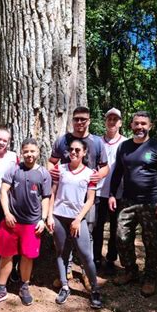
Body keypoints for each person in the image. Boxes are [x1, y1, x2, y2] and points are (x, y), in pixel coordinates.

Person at [108, 111, 157, 297]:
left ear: (150, 126)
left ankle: (150, 276)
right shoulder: (124, 147)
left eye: (143, 124)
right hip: (127, 201)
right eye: (136, 124)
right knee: (121, 236)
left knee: (152, 242)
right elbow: (118, 172)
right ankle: (130, 270)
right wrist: (112, 194)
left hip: (151, 203)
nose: (139, 127)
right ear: (131, 126)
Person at [47, 106, 109, 288]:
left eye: (83, 119)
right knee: (64, 239)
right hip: (64, 199)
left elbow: (105, 166)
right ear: (72, 121)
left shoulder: (97, 142)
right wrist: (54, 173)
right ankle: (65, 271)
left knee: (85, 235)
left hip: (87, 199)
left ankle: (85, 272)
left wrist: (100, 175)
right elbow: (51, 162)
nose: (80, 122)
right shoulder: (63, 141)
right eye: (76, 119)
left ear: (89, 121)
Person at [0, 138, 52, 307]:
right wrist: (6, 213)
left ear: (38, 152)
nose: (29, 154)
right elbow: (4, 191)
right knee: (6, 255)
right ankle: (1, 289)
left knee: (27, 256)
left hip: (32, 223)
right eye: (26, 151)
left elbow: (46, 197)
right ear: (22, 153)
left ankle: (24, 287)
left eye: (32, 151)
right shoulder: (14, 170)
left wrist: (42, 219)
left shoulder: (43, 173)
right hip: (12, 222)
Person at [47, 139, 102, 309]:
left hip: (77, 218)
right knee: (61, 252)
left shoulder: (90, 173)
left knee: (86, 255)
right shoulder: (60, 169)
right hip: (58, 216)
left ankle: (94, 289)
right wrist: (49, 216)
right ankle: (64, 286)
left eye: (78, 150)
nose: (74, 152)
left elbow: (90, 199)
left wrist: (78, 219)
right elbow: (52, 193)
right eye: (71, 149)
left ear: (84, 152)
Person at [91, 107, 127, 273]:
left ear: (120, 122)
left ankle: (111, 259)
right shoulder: (96, 142)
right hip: (98, 192)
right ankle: (95, 258)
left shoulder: (126, 143)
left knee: (115, 228)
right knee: (97, 227)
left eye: (115, 119)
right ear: (105, 121)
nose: (112, 122)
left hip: (118, 193)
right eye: (109, 119)